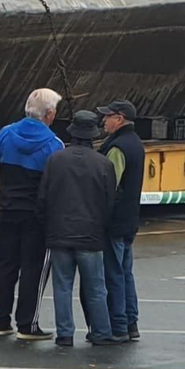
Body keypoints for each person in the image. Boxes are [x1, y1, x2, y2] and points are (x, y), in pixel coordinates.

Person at [0, 88, 65, 340]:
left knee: (4, 266)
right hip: (36, 216)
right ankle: (27, 325)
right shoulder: (54, 145)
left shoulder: (6, 133)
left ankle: (0, 321)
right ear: (50, 114)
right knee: (33, 269)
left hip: (8, 209)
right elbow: (57, 183)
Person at [38, 111, 120, 346]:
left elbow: (43, 198)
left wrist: (48, 227)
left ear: (72, 133)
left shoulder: (55, 160)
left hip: (59, 234)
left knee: (62, 286)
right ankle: (101, 332)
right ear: (93, 135)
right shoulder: (103, 164)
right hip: (90, 235)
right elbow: (109, 202)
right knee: (96, 288)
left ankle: (65, 334)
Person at [97, 100, 144, 341]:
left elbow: (109, 185)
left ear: (120, 118)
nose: (104, 120)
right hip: (129, 219)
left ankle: (118, 326)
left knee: (113, 273)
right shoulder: (135, 143)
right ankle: (131, 323)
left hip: (115, 221)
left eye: (108, 116)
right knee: (126, 273)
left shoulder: (117, 148)